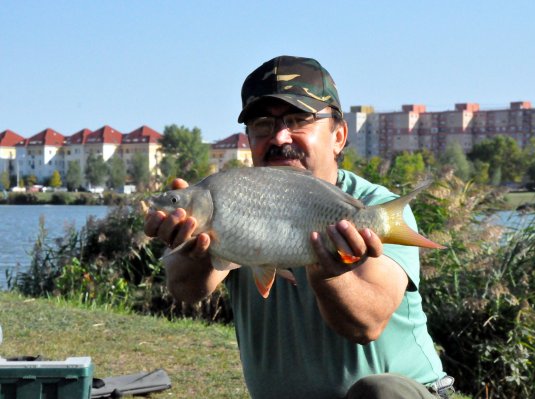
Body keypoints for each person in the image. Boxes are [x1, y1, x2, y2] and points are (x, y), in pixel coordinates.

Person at [144, 55, 454, 399]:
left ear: (338, 135)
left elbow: (367, 324)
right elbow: (186, 290)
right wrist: (191, 246)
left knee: (379, 392)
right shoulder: (225, 195)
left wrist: (328, 275)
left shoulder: (375, 209)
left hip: (402, 395)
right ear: (248, 138)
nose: (279, 137)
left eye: (297, 120)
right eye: (262, 124)